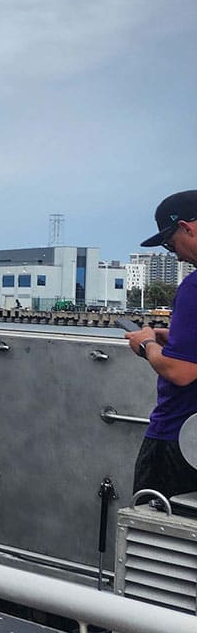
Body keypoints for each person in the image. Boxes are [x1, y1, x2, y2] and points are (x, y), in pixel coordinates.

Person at [125, 191, 197, 499]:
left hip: (180, 440)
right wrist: (178, 338)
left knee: (154, 524)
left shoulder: (194, 286)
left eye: (170, 244)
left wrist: (146, 345)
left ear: (186, 227)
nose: (176, 256)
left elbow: (180, 372)